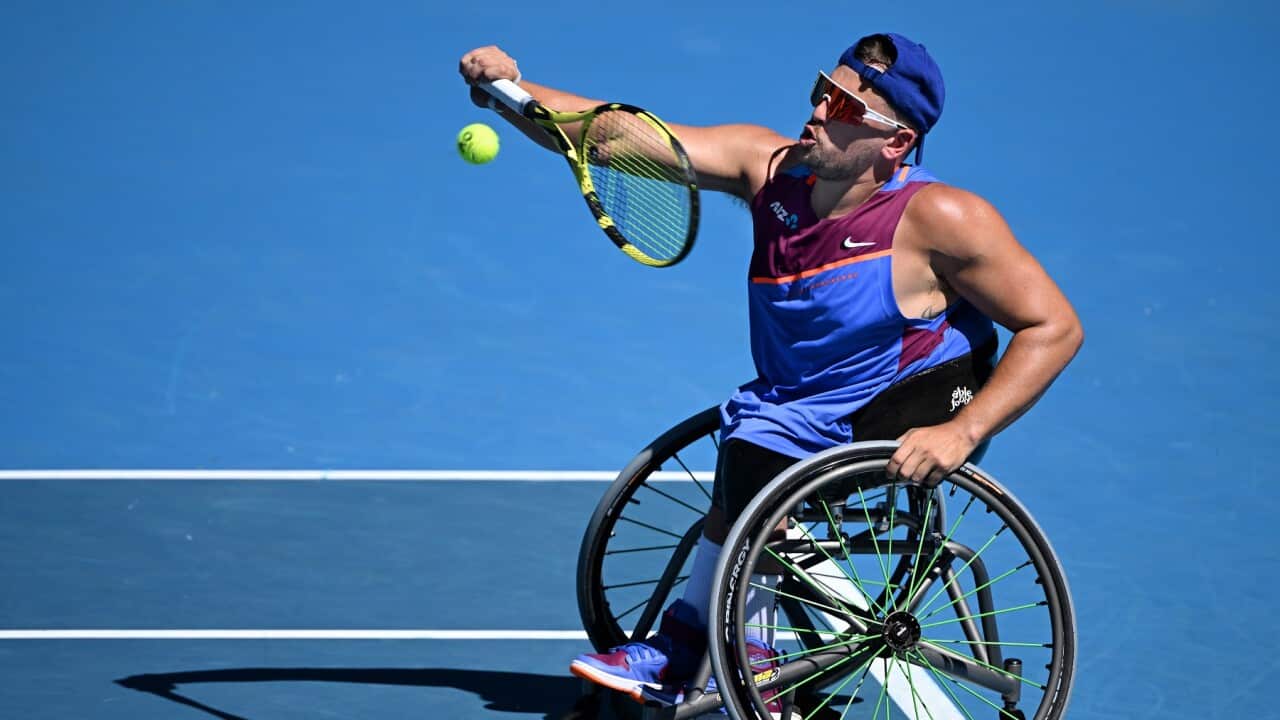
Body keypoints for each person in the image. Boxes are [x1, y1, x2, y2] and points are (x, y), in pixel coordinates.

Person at [458, 32, 1084, 710]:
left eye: (845, 107)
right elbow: (612, 139)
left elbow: (1054, 327)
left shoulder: (943, 218)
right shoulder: (771, 170)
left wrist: (963, 432)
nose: (818, 110)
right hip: (807, 401)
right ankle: (718, 642)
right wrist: (512, 92)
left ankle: (718, 652)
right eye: (823, 91)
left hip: (923, 397)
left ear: (896, 142)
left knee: (757, 450)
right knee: (756, 438)